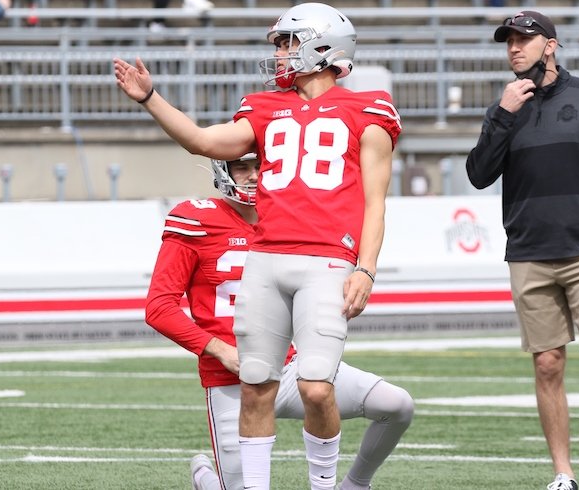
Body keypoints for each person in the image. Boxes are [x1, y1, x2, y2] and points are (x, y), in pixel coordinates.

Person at [114, 3, 402, 488]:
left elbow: (376, 203)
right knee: (256, 386)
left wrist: (366, 268)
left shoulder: (368, 109)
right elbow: (204, 142)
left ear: (323, 44)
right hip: (266, 260)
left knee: (314, 386)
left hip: (327, 260)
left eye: (287, 42)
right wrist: (151, 99)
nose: (280, 53)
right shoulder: (265, 106)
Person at [145, 153, 414, 490]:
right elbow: (158, 307)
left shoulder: (293, 221)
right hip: (233, 380)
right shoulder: (197, 220)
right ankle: (208, 481)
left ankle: (356, 484)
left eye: (262, 166)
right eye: (242, 166)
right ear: (223, 170)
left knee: (397, 405)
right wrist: (221, 351)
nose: (254, 175)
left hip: (290, 369)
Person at [465, 10, 579, 490]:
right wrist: (504, 115)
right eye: (508, 41)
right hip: (529, 251)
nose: (513, 48)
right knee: (547, 364)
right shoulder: (504, 106)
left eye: (523, 40)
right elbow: (478, 174)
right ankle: (563, 475)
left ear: (550, 45)